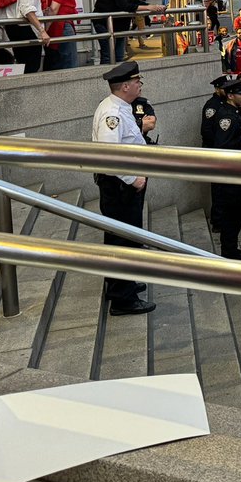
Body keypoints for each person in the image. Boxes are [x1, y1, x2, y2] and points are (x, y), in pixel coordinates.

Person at [90, 61, 154, 316]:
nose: (140, 84)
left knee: (123, 235)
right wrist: (132, 178)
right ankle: (122, 298)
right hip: (120, 186)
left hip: (122, 184)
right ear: (125, 85)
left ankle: (122, 284)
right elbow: (109, 156)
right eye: (137, 81)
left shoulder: (121, 107)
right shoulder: (112, 114)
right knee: (123, 239)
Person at [207, 78, 241, 259]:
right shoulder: (226, 116)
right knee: (231, 217)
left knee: (236, 216)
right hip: (228, 175)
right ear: (230, 95)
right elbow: (223, 147)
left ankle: (231, 249)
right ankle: (229, 252)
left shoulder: (234, 112)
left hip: (235, 173)